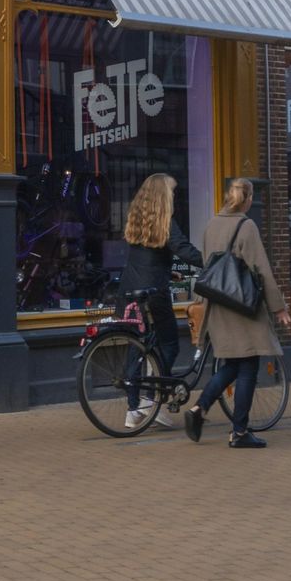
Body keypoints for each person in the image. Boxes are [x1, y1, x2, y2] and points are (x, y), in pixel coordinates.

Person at [184, 178, 291, 450]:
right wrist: (278, 307)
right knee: (248, 368)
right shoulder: (247, 226)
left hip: (218, 306)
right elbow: (261, 269)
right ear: (247, 199)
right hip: (243, 306)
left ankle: (199, 408)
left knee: (232, 365)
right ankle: (240, 432)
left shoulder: (210, 225)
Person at [120, 172, 202, 431]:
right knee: (169, 344)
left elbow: (148, 254)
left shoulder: (136, 215)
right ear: (164, 196)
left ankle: (133, 410)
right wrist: (214, 260)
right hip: (154, 291)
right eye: (173, 192)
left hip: (130, 287)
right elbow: (184, 250)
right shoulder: (165, 219)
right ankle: (151, 400)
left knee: (137, 346)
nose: (175, 196)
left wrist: (169, 271)